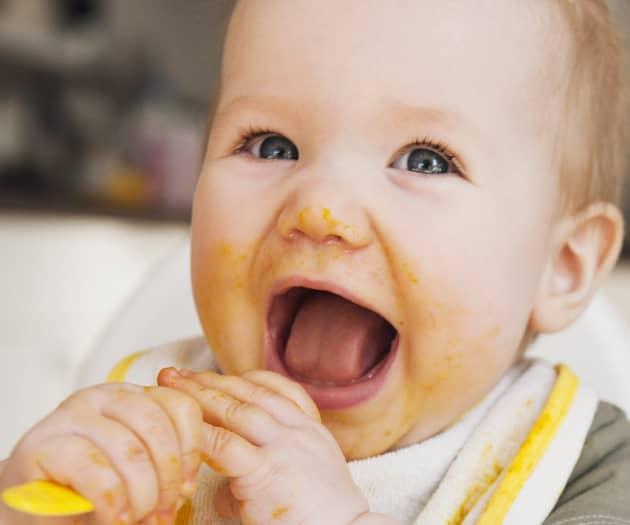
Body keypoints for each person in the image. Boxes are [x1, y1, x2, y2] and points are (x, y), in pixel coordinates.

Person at [1, 0, 629, 523]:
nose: (320, 209)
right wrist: (29, 504)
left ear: (563, 265)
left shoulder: (585, 470)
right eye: (271, 145)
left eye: (424, 160)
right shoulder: (143, 428)